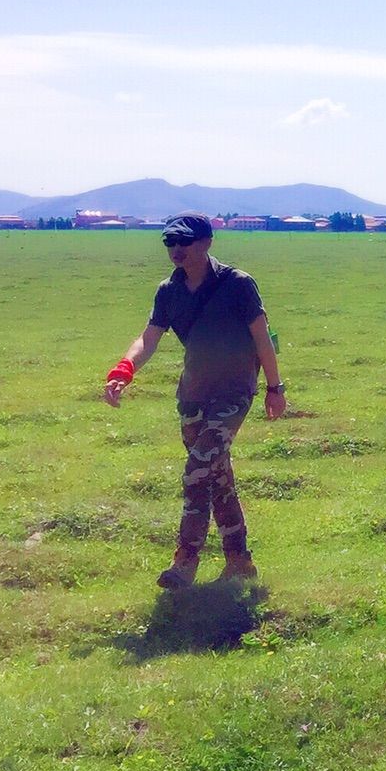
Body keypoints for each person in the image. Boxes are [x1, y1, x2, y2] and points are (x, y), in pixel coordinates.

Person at [102, 212, 285, 588]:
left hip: (234, 391)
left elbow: (262, 339)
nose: (175, 249)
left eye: (183, 242)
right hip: (193, 394)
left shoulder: (238, 284)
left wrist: (274, 388)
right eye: (169, 242)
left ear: (206, 243)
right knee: (216, 476)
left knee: (198, 470)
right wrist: (124, 370)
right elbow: (149, 338)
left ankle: (185, 560)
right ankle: (239, 560)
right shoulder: (168, 291)